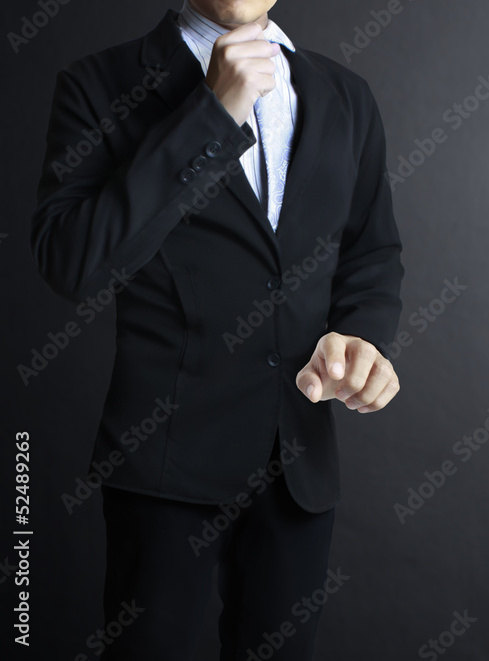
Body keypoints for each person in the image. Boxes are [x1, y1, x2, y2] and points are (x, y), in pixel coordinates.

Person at [30, 0, 404, 658]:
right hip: (163, 461)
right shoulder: (97, 83)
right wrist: (210, 113)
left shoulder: (347, 95)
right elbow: (72, 263)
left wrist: (362, 335)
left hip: (298, 460)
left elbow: (370, 252)